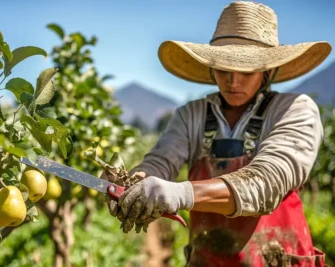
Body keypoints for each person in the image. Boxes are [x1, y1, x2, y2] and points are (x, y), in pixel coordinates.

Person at [102, 1, 332, 266]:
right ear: (211, 68)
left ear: (268, 71)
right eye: (223, 69)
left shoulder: (294, 109)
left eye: (246, 71)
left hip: (277, 258)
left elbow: (269, 181)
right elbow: (161, 161)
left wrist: (182, 194)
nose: (233, 81)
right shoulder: (192, 114)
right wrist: (135, 183)